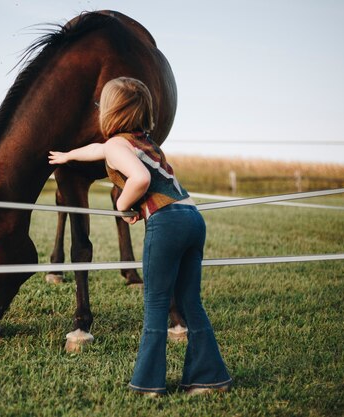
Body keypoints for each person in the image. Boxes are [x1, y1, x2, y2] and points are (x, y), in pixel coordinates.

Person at [48, 77, 231, 396]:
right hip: (191, 217)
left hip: (167, 222)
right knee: (190, 302)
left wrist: (122, 204)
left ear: (109, 112)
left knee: (157, 303)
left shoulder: (119, 147)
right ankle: (209, 377)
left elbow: (140, 178)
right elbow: (101, 150)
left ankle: (148, 384)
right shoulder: (144, 142)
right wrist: (68, 157)